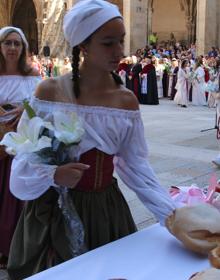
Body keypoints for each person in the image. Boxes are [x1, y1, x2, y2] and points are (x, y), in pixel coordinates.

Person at [6, 1, 220, 279]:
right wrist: (54, 173)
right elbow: (24, 156)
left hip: (105, 212)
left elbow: (135, 167)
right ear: (83, 45)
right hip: (53, 214)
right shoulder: (49, 92)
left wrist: (173, 216)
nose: (119, 51)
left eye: (121, 41)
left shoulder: (125, 101)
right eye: (108, 43)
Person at [0, 26, 41, 270]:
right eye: (8, 43)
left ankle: (12, 247)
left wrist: (25, 110)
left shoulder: (33, 77)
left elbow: (43, 110)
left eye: (17, 43)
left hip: (21, 144)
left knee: (13, 197)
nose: (13, 48)